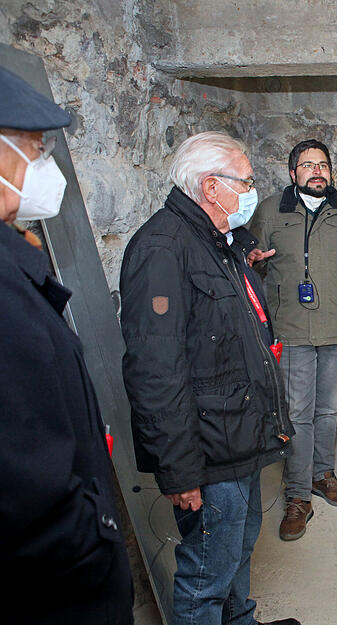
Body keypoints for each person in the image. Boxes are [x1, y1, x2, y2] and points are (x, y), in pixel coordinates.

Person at [120, 131, 300, 625]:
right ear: (211, 187)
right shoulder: (163, 249)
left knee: (238, 549)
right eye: (244, 181)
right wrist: (179, 470)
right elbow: (155, 372)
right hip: (208, 452)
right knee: (205, 576)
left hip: (239, 437)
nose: (251, 190)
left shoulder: (219, 243)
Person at [0, 66, 133, 625]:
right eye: (35, 148)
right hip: (55, 589)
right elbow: (25, 480)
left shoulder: (13, 256)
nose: (45, 165)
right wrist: (94, 537)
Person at [251, 139, 337, 541]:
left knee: (327, 411)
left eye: (323, 165)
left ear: (331, 172)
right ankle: (297, 497)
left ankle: (322, 475)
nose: (317, 171)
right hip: (291, 330)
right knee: (298, 414)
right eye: (308, 165)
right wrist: (252, 258)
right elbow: (245, 249)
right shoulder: (271, 211)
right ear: (293, 174)